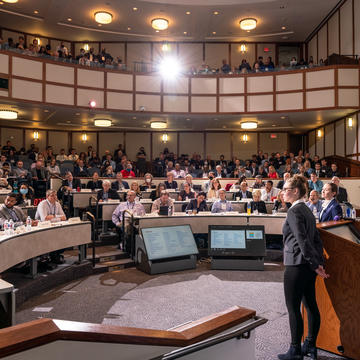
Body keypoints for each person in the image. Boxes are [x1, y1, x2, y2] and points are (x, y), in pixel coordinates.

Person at [278, 175, 329, 360]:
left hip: (296, 266)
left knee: (293, 308)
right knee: (310, 305)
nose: (282, 192)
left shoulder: (294, 211)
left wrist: (316, 264)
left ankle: (295, 350)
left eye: (285, 189)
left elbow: (302, 240)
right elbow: (316, 240)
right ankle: (310, 345)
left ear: (296, 191)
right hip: (308, 266)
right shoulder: (307, 210)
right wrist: (318, 263)